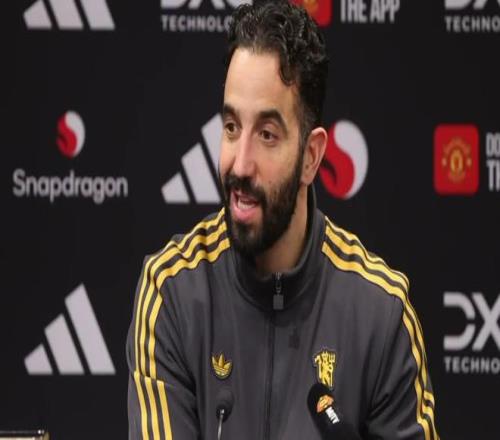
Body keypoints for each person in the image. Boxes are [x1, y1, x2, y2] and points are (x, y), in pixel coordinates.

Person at [126, 1, 439, 439]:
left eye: (267, 135)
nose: (240, 164)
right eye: (231, 127)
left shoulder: (381, 314)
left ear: (311, 157)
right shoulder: (172, 292)